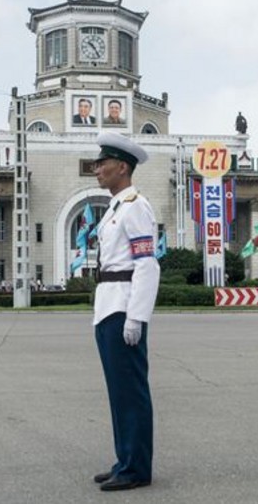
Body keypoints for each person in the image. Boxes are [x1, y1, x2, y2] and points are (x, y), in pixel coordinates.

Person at [89, 132, 160, 492]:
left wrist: (137, 317)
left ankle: (136, 468)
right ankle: (125, 459)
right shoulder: (116, 208)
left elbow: (147, 264)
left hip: (123, 307)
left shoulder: (136, 206)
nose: (97, 168)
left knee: (131, 391)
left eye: (103, 163)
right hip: (107, 305)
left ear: (122, 166)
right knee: (118, 392)